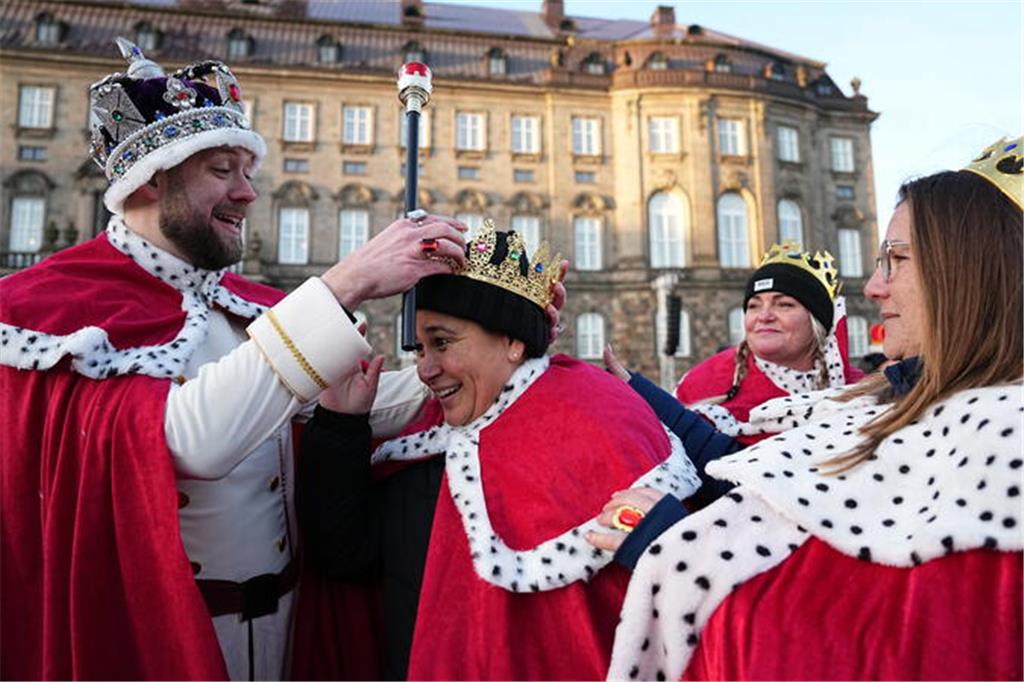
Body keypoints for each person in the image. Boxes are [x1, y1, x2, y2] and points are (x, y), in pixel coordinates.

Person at [0, 39, 470, 681]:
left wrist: (488, 346)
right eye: (224, 170)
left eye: (248, 173)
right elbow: (192, 441)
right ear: (152, 178)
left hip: (284, 626)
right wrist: (349, 280)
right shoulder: (48, 309)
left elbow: (345, 405)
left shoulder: (247, 306)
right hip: (159, 634)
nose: (248, 194)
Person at [605, 136, 1023, 681]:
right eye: (755, 305)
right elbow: (753, 475)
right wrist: (639, 392)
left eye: (895, 261)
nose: (874, 286)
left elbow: (871, 652)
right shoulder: (887, 398)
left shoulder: (999, 439)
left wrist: (674, 551)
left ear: (972, 274)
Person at [296, 221, 701, 680]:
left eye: (442, 343)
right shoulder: (422, 439)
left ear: (512, 341)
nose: (425, 370)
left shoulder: (596, 423)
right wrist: (341, 426)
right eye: (419, 348)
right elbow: (347, 558)